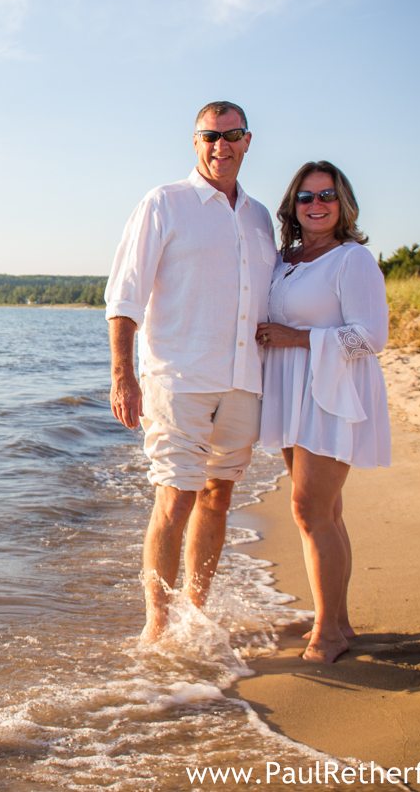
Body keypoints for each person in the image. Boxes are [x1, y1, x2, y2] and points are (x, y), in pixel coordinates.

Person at [106, 101, 277, 643]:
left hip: (242, 379)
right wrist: (122, 375)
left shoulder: (258, 216)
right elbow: (124, 295)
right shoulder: (165, 204)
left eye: (232, 136)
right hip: (178, 378)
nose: (220, 147)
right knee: (175, 496)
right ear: (195, 142)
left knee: (218, 495)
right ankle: (157, 624)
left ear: (248, 141)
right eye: (210, 137)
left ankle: (195, 612)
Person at [256, 161, 390, 664]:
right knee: (326, 512)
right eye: (307, 197)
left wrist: (296, 338)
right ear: (293, 205)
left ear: (343, 203)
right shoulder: (285, 259)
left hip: (331, 391)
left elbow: (370, 337)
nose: (317, 205)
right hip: (292, 391)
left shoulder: (352, 259)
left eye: (327, 195)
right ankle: (341, 621)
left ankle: (328, 633)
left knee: (310, 511)